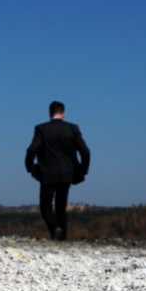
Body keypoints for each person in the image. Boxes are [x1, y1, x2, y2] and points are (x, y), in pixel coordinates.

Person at [25, 101, 90, 241]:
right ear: (64, 113)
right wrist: (83, 171)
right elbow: (85, 151)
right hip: (67, 173)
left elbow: (32, 150)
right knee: (61, 207)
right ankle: (62, 239)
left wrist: (30, 167)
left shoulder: (41, 129)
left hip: (47, 173)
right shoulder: (72, 129)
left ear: (49, 114)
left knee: (45, 205)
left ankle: (55, 229)